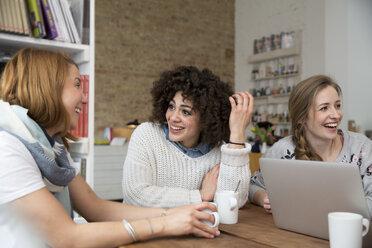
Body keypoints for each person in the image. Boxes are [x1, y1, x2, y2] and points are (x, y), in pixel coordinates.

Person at [0, 48, 221, 248]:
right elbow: (68, 237)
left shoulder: (54, 147)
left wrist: (177, 213)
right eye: (77, 85)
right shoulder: (8, 148)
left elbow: (97, 209)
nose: (84, 98)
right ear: (47, 87)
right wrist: (165, 223)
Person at [122, 66, 254, 208]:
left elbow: (234, 203)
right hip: (143, 229)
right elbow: (136, 196)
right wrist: (201, 196)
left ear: (206, 119)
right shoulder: (147, 134)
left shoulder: (218, 153)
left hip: (193, 230)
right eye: (171, 106)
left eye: (185, 112)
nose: (173, 117)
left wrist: (237, 132)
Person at [249, 75, 372, 214]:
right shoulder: (283, 150)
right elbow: (253, 185)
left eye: (337, 106)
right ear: (302, 118)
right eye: (324, 108)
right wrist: (264, 198)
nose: (336, 115)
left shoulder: (363, 148)